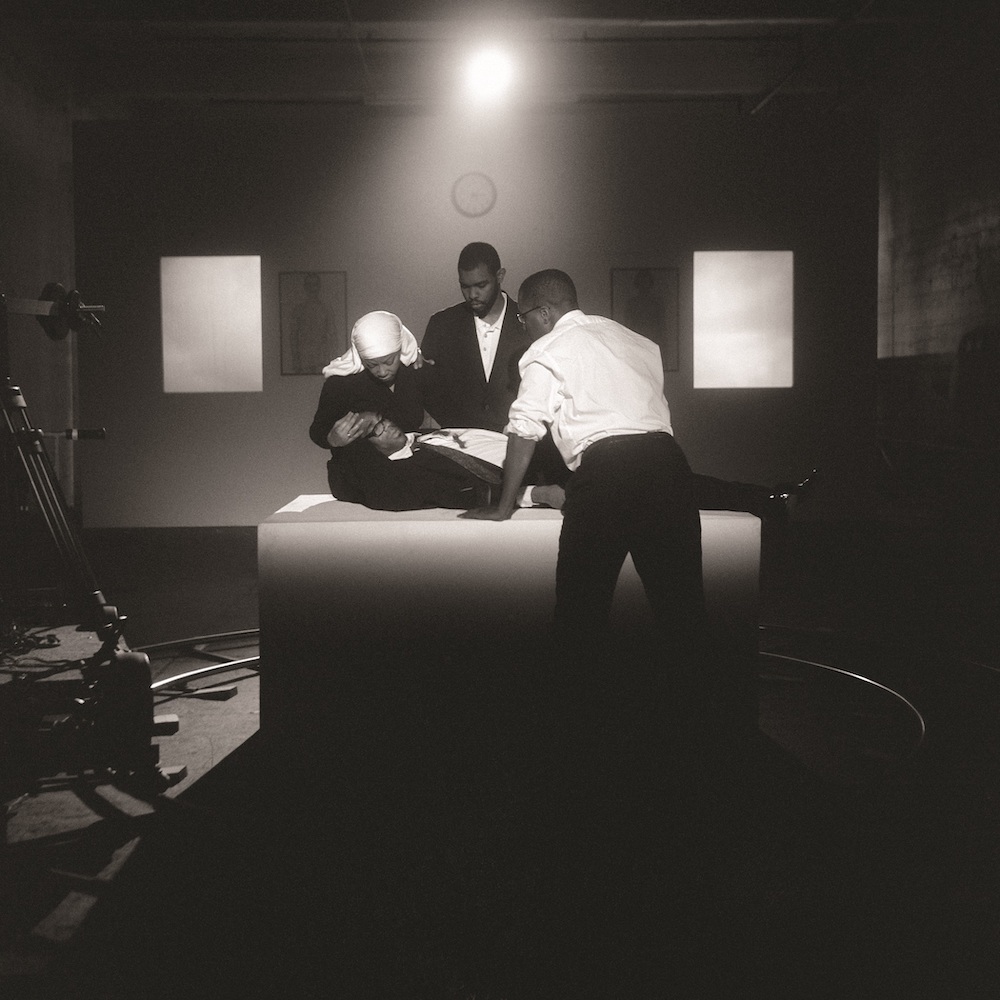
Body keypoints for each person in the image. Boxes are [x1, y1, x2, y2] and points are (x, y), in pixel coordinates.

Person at [308, 310, 430, 503]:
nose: (382, 371)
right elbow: (317, 431)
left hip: (411, 467)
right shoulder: (341, 383)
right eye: (371, 364)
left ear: (400, 349)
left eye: (389, 361)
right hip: (360, 476)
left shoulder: (415, 372)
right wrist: (332, 438)